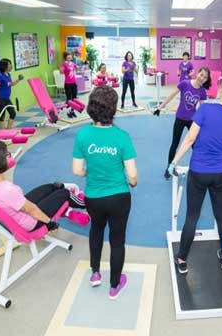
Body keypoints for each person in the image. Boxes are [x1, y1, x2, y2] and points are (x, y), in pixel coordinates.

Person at [169, 77, 222, 274]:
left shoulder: (205, 109)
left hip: (198, 172)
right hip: (218, 175)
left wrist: (174, 162)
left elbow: (190, 139)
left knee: (192, 216)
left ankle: (182, 259)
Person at [72, 86, 138, 300]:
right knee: (117, 240)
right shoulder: (122, 136)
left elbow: (77, 170)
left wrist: (91, 171)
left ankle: (95, 273)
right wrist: (132, 182)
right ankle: (114, 286)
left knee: (96, 230)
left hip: (94, 198)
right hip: (119, 197)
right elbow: (133, 177)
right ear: (113, 109)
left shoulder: (83, 135)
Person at [0, 140, 88, 231]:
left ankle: (67, 207)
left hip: (19, 212)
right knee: (64, 193)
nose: (10, 156)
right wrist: (49, 223)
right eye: (7, 155)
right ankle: (85, 203)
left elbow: (22, 205)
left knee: (51, 187)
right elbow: (32, 210)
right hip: (32, 222)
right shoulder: (8, 190)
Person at [158, 68, 211, 179]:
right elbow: (172, 95)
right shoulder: (185, 83)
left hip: (192, 121)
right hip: (180, 118)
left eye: (205, 77)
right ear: (197, 73)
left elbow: (202, 108)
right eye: (201, 75)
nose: (202, 78)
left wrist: (204, 122)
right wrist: (160, 107)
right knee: (175, 144)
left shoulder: (202, 91)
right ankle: (169, 167)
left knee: (195, 145)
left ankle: (200, 167)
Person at [0, 58, 23, 129]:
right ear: (4, 66)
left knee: (13, 113)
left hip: (7, 98)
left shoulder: (8, 75)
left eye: (10, 64)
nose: (10, 66)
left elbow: (11, 84)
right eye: (9, 65)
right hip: (0, 98)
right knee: (2, 115)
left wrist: (18, 79)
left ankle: (9, 129)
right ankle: (2, 131)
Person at [60, 51, 79, 118]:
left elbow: (77, 68)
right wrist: (63, 68)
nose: (70, 57)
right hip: (67, 84)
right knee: (69, 99)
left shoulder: (73, 63)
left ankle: (72, 111)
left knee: (74, 98)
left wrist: (79, 66)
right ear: (65, 57)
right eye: (68, 56)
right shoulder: (63, 64)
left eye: (70, 56)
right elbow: (61, 72)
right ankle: (68, 111)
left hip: (74, 83)